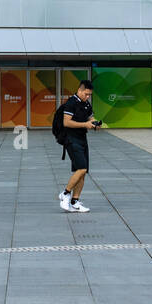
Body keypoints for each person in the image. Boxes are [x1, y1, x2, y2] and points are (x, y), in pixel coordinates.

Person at [58, 79, 101, 213]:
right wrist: (85, 125)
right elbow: (66, 122)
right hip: (71, 139)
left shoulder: (86, 104)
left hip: (82, 139)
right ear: (80, 90)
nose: (87, 97)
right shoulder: (71, 103)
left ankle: (75, 201)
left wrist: (95, 124)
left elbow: (90, 118)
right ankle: (65, 193)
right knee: (81, 168)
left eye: (90, 95)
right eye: (86, 94)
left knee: (83, 173)